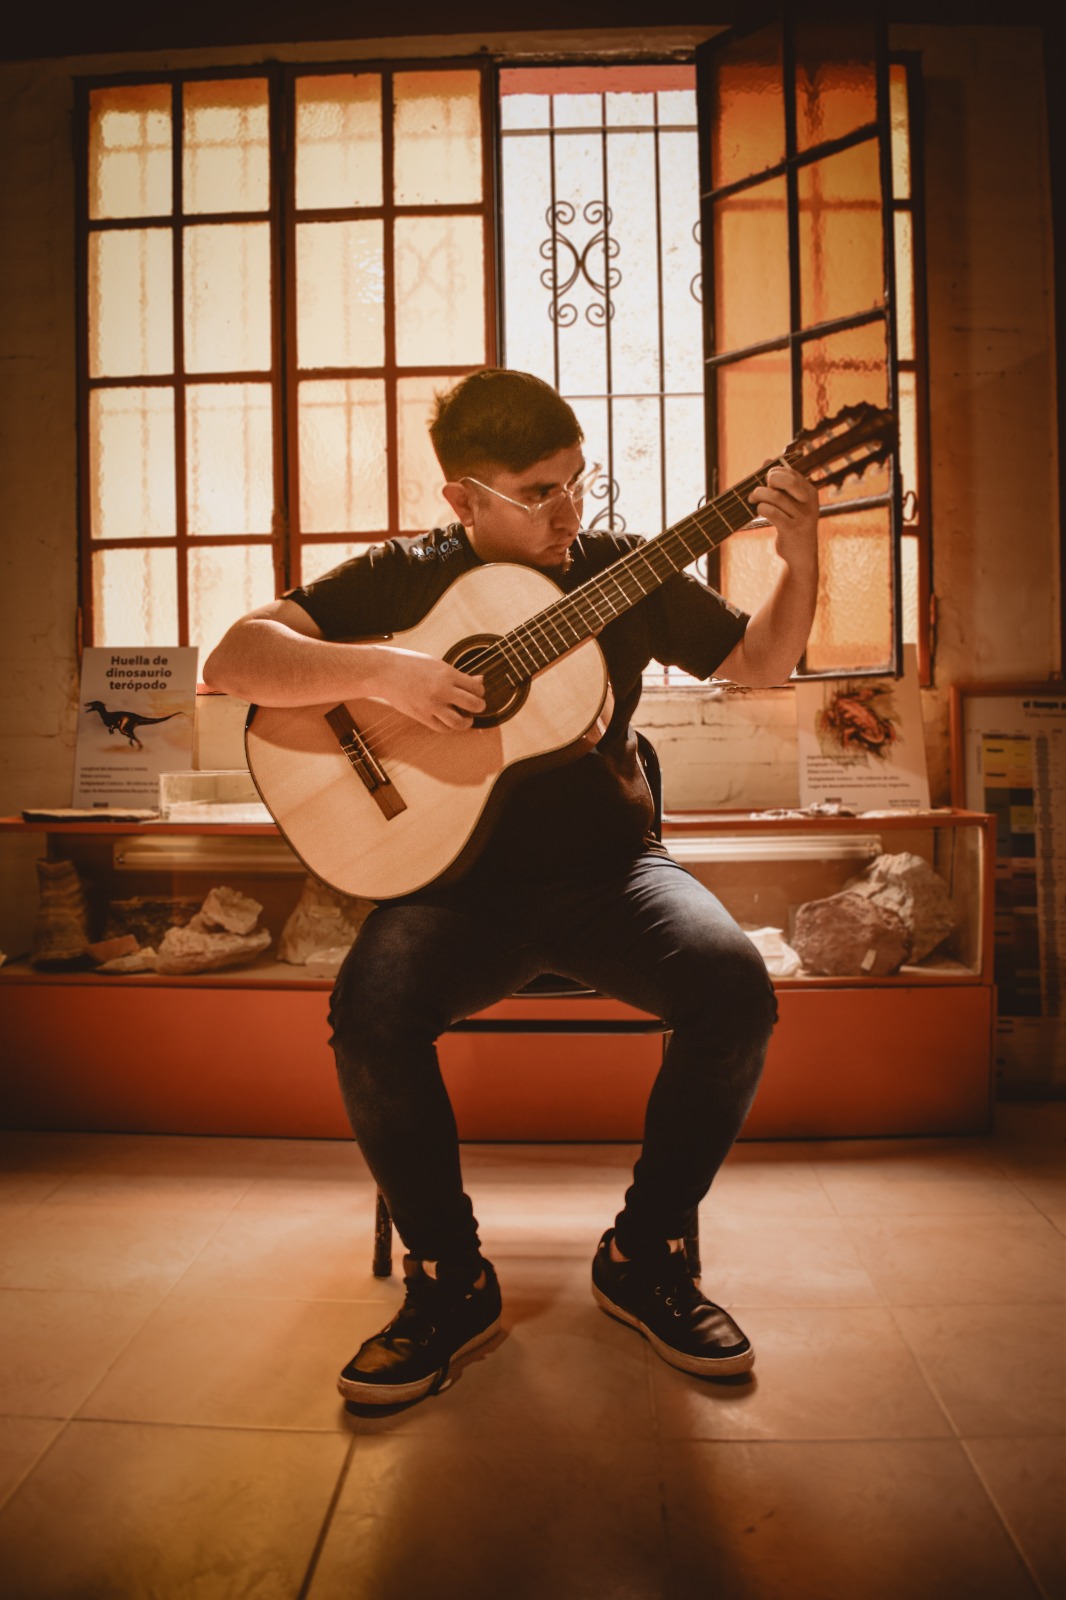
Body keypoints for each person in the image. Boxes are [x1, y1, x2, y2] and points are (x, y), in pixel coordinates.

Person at [204, 368, 820, 1407]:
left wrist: (801, 560)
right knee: (369, 1012)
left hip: (613, 877)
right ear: (463, 498)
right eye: (537, 493)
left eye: (577, 480)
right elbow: (235, 659)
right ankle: (449, 1277)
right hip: (453, 891)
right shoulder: (406, 576)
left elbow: (760, 662)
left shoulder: (621, 571)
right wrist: (386, 674)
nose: (567, 512)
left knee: (734, 989)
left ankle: (644, 1253)